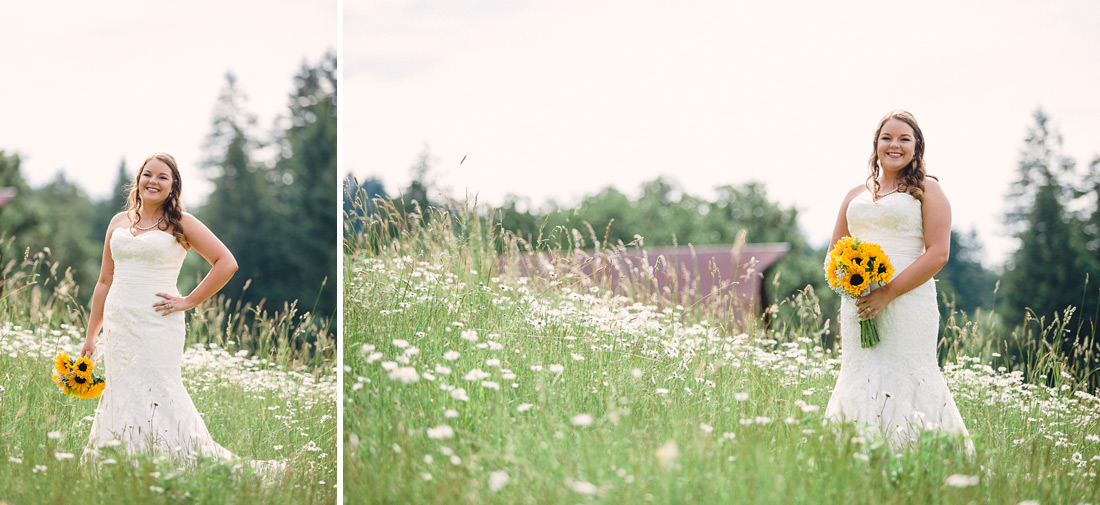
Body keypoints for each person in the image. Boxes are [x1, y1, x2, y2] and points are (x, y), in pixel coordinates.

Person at [823, 111, 972, 450]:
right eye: (887, 137)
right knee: (861, 374)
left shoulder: (928, 190)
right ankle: (858, 460)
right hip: (858, 304)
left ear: (917, 147)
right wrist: (852, 285)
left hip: (907, 302)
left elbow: (938, 254)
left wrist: (887, 294)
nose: (895, 145)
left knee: (907, 374)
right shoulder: (853, 195)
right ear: (876, 144)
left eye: (904, 139)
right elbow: (833, 256)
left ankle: (920, 459)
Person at [79, 152, 241, 461]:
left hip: (158, 322)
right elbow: (104, 281)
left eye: (162, 177)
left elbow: (226, 263)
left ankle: (176, 459)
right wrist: (91, 336)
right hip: (119, 323)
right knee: (121, 389)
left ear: (173, 186)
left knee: (160, 388)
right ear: (138, 180)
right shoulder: (118, 222)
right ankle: (121, 460)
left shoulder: (181, 222)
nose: (153, 181)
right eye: (147, 174)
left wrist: (189, 301)